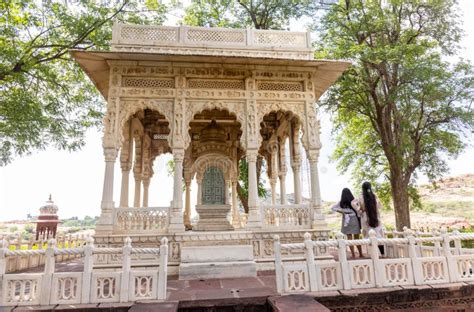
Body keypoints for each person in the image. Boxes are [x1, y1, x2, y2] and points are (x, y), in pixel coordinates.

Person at [352, 181, 384, 255]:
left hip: (365, 217)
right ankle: (382, 254)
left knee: (368, 235)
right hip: (375, 217)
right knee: (378, 235)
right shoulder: (374, 196)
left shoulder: (360, 196)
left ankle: (372, 254)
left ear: (363, 188)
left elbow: (353, 203)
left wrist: (359, 209)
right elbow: (379, 206)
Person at [331, 188, 363, 258]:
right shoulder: (353, 201)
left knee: (349, 238)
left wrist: (342, 212)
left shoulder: (341, 202)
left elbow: (333, 208)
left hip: (346, 219)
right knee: (357, 238)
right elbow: (358, 210)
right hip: (354, 219)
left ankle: (353, 254)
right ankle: (360, 254)